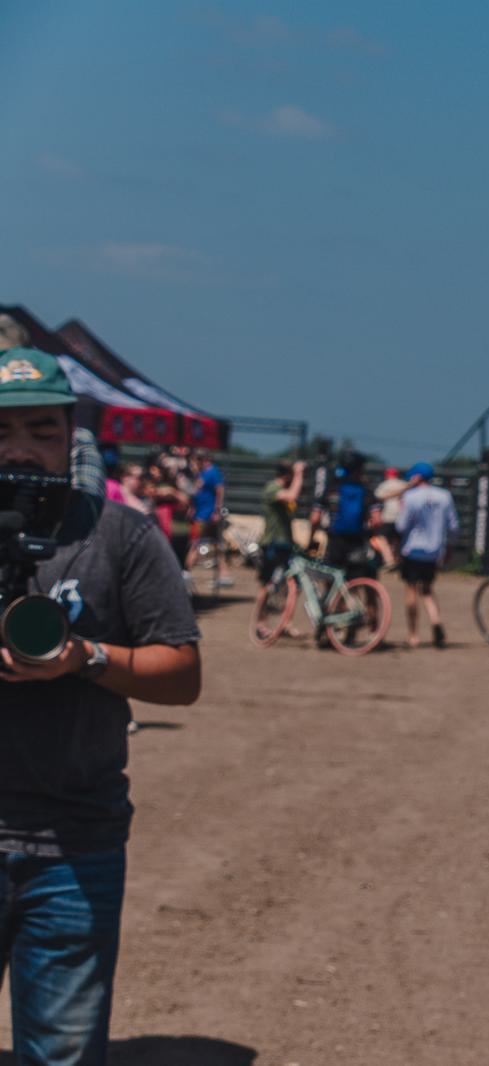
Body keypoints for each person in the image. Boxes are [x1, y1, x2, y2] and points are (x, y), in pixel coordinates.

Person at [0, 348, 202, 1065]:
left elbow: (180, 674)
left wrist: (84, 658)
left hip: (75, 839)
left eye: (42, 432)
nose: (21, 449)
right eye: (2, 430)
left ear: (71, 437)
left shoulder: (119, 535)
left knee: (62, 1052)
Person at [395, 462, 458, 649]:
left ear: (417, 477)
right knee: (428, 590)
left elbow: (401, 526)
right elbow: (453, 526)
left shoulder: (411, 496)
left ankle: (413, 634)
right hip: (434, 550)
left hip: (413, 549)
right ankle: (436, 621)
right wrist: (449, 547)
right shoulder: (445, 496)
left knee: (411, 589)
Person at [252, 460, 305, 636]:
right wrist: (299, 474)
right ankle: (261, 624)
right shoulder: (271, 488)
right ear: (286, 475)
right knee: (267, 585)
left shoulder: (284, 488)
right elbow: (291, 496)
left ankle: (285, 623)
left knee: (294, 586)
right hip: (272, 543)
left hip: (287, 544)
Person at [184, 449, 231, 587]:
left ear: (203, 459)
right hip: (200, 513)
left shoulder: (212, 472)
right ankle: (224, 573)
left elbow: (219, 490)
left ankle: (184, 572)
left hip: (206, 515)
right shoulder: (202, 473)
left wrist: (216, 511)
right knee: (215, 545)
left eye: (196, 460)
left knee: (195, 544)